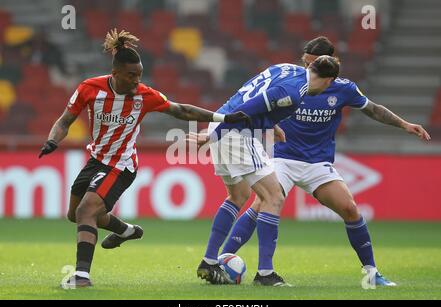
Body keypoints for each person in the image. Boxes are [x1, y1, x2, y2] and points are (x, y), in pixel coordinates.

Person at [38, 29, 250, 288]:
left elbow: (181, 110)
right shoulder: (89, 89)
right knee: (75, 214)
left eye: (139, 75)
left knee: (86, 211)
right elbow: (65, 120)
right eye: (131, 76)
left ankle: (81, 276)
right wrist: (52, 140)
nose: (136, 81)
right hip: (96, 160)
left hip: (122, 165)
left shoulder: (144, 95)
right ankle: (125, 230)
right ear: (115, 73)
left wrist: (224, 118)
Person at [221, 36, 431, 286]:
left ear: (331, 63)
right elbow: (259, 104)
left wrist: (404, 124)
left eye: (313, 65)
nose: (308, 71)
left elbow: (373, 109)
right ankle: (232, 259)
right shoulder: (290, 80)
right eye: (306, 64)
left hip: (318, 164)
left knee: (350, 209)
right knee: (263, 204)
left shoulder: (344, 89)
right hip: (284, 158)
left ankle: (372, 274)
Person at [193, 55, 341, 286]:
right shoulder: (294, 92)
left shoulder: (284, 68)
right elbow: (248, 107)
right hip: (235, 132)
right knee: (273, 196)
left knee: (238, 196)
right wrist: (212, 135)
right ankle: (265, 273)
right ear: (328, 80)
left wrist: (270, 125)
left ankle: (209, 261)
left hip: (223, 123)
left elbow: (252, 94)